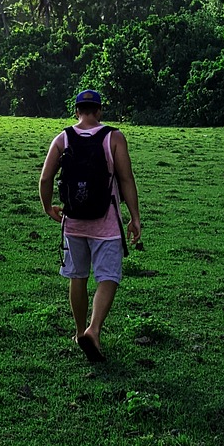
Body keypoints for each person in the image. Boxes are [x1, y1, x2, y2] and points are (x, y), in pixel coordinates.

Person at [39, 89, 142, 363]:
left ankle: (78, 331)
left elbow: (46, 178)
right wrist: (135, 217)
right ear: (99, 111)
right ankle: (93, 330)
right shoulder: (114, 137)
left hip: (73, 221)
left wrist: (48, 207)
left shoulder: (63, 137)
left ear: (76, 111)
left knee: (78, 276)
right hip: (105, 222)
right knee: (108, 276)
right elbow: (126, 179)